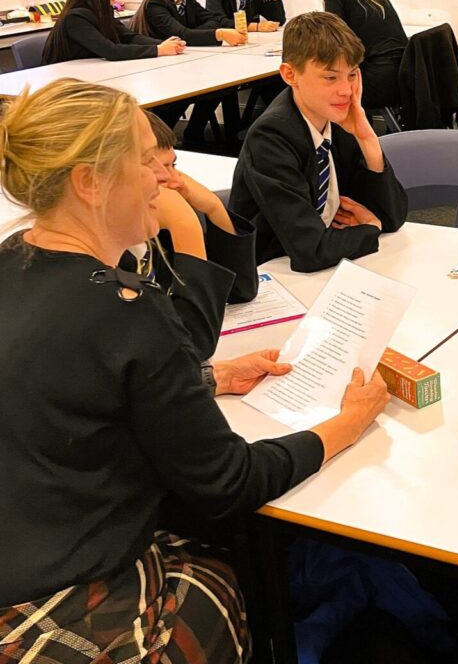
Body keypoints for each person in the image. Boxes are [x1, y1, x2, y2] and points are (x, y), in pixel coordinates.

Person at [0, 77, 390, 661]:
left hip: (23, 548)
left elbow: (69, 387)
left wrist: (209, 379)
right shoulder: (124, 307)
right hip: (71, 591)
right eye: (145, 161)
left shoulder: (12, 258)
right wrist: (347, 424)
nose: (163, 179)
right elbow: (229, 482)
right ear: (89, 182)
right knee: (239, 566)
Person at [229, 12, 408, 272]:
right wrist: (371, 229)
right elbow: (311, 251)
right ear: (290, 75)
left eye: (352, 75)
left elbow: (392, 216)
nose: (346, 90)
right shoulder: (270, 137)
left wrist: (367, 139)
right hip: (272, 272)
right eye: (330, 78)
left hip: (327, 267)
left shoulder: (338, 118)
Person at [124, 112, 258, 359]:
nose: (172, 180)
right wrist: (185, 225)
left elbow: (240, 290)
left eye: (172, 165)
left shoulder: (157, 228)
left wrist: (214, 208)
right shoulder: (112, 254)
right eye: (155, 167)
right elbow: (193, 346)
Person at [134, 0, 247, 144]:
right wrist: (218, 34)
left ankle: (197, 133)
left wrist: (194, 32)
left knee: (221, 86)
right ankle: (163, 138)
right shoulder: (156, 4)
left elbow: (212, 19)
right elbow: (183, 34)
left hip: (184, 66)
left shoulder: (187, 0)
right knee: (191, 93)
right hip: (160, 73)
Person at [307, 0, 408, 110]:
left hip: (378, 79)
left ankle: (330, 128)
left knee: (313, 89)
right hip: (401, 72)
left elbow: (333, 37)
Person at [42, 0, 185, 64]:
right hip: (67, 84)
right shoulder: (75, 18)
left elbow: (129, 37)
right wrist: (159, 50)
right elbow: (111, 51)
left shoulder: (101, 12)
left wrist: (166, 44)